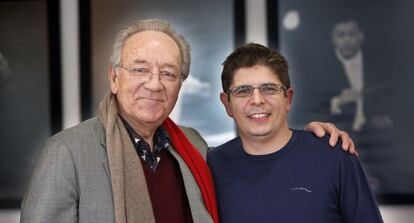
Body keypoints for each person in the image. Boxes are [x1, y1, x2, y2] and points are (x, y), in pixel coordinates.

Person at [21, 19, 354, 223]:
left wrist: (312, 138)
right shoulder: (66, 153)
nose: (154, 84)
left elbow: (263, 155)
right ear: (113, 78)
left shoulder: (193, 148)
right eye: (139, 69)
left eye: (168, 73)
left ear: (179, 85)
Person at [208, 43, 383, 222]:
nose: (257, 100)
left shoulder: (334, 157)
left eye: (269, 89)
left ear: (288, 98)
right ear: (227, 104)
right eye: (243, 91)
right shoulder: (211, 166)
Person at [330, 20, 366, 131]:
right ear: (333, 39)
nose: (347, 40)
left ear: (361, 36)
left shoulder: (380, 64)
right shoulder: (319, 68)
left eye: (352, 34)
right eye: (341, 35)